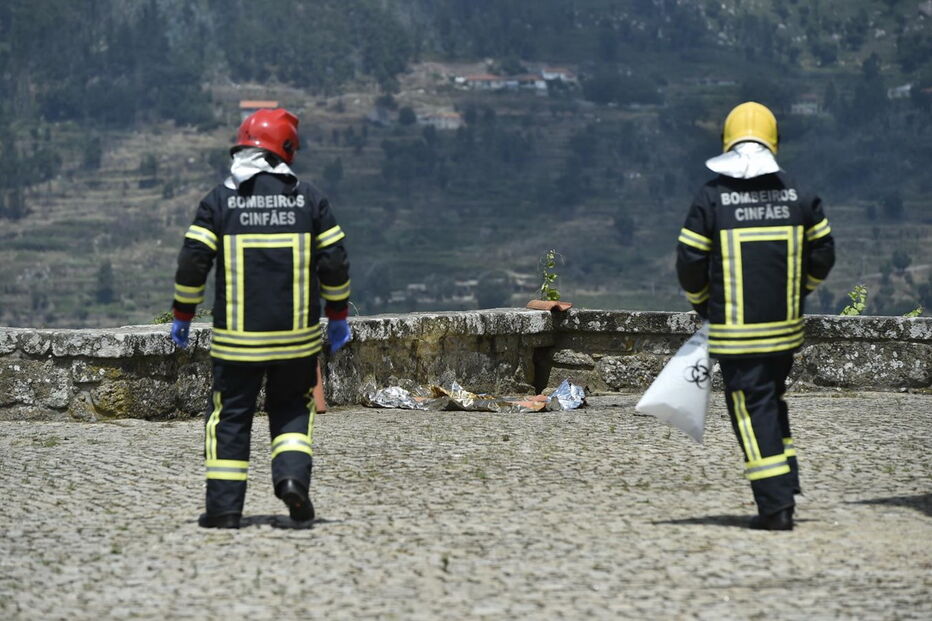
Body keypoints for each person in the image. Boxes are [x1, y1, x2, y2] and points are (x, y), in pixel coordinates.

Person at [170, 108, 352, 529]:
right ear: (286, 150)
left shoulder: (220, 201)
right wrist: (338, 314)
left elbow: (193, 262)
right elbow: (335, 262)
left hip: (237, 342)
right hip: (297, 340)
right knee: (292, 411)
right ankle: (291, 480)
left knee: (230, 417)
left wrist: (183, 313)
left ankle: (224, 510)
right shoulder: (308, 199)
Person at [676, 101, 835, 530]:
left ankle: (775, 507)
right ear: (774, 141)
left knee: (752, 413)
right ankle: (788, 483)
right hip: (784, 334)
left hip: (737, 336)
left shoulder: (713, 197)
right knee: (771, 404)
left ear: (727, 141)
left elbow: (689, 262)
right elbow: (824, 254)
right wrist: (798, 292)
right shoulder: (798, 194)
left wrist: (703, 304)